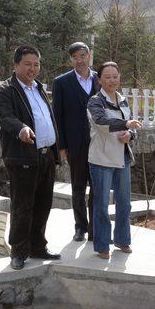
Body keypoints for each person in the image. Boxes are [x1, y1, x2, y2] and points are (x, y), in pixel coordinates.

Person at [0, 45, 62, 270]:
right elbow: (3, 116)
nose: (33, 69)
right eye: (27, 64)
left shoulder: (39, 88)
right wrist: (21, 129)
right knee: (23, 205)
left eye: (36, 64)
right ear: (16, 65)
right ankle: (19, 252)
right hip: (22, 156)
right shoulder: (6, 89)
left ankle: (38, 246)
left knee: (43, 204)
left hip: (46, 155)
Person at [87, 62, 141, 259]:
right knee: (101, 205)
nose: (112, 80)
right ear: (99, 79)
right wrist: (126, 124)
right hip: (101, 159)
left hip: (122, 157)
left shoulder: (123, 100)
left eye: (115, 76)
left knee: (125, 203)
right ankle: (102, 245)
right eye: (107, 77)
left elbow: (133, 127)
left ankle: (122, 240)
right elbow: (101, 122)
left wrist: (130, 134)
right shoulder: (95, 101)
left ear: (119, 78)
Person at [52, 42, 100, 242]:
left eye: (82, 56)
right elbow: (57, 116)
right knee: (78, 187)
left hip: (99, 144)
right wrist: (61, 146)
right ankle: (80, 227)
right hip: (75, 144)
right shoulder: (61, 82)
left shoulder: (100, 79)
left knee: (98, 187)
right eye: (75, 57)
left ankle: (96, 229)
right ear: (71, 59)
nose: (79, 60)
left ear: (89, 55)